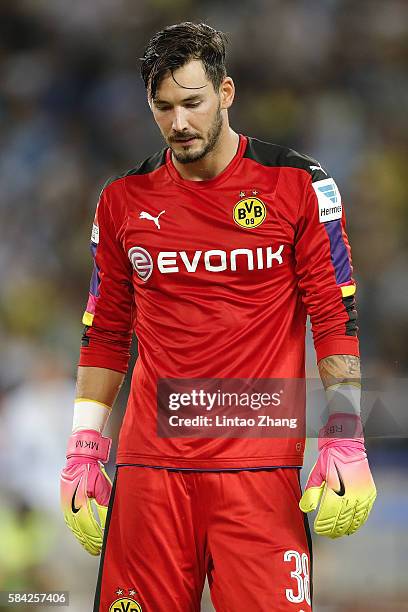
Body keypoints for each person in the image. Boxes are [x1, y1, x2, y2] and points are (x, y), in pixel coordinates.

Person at [60, 22, 376, 612]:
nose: (179, 122)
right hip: (151, 469)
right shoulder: (123, 199)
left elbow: (336, 319)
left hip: (258, 470)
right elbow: (104, 332)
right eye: (163, 107)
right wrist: (84, 445)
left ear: (226, 93)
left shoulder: (300, 186)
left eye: (192, 103)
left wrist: (345, 436)